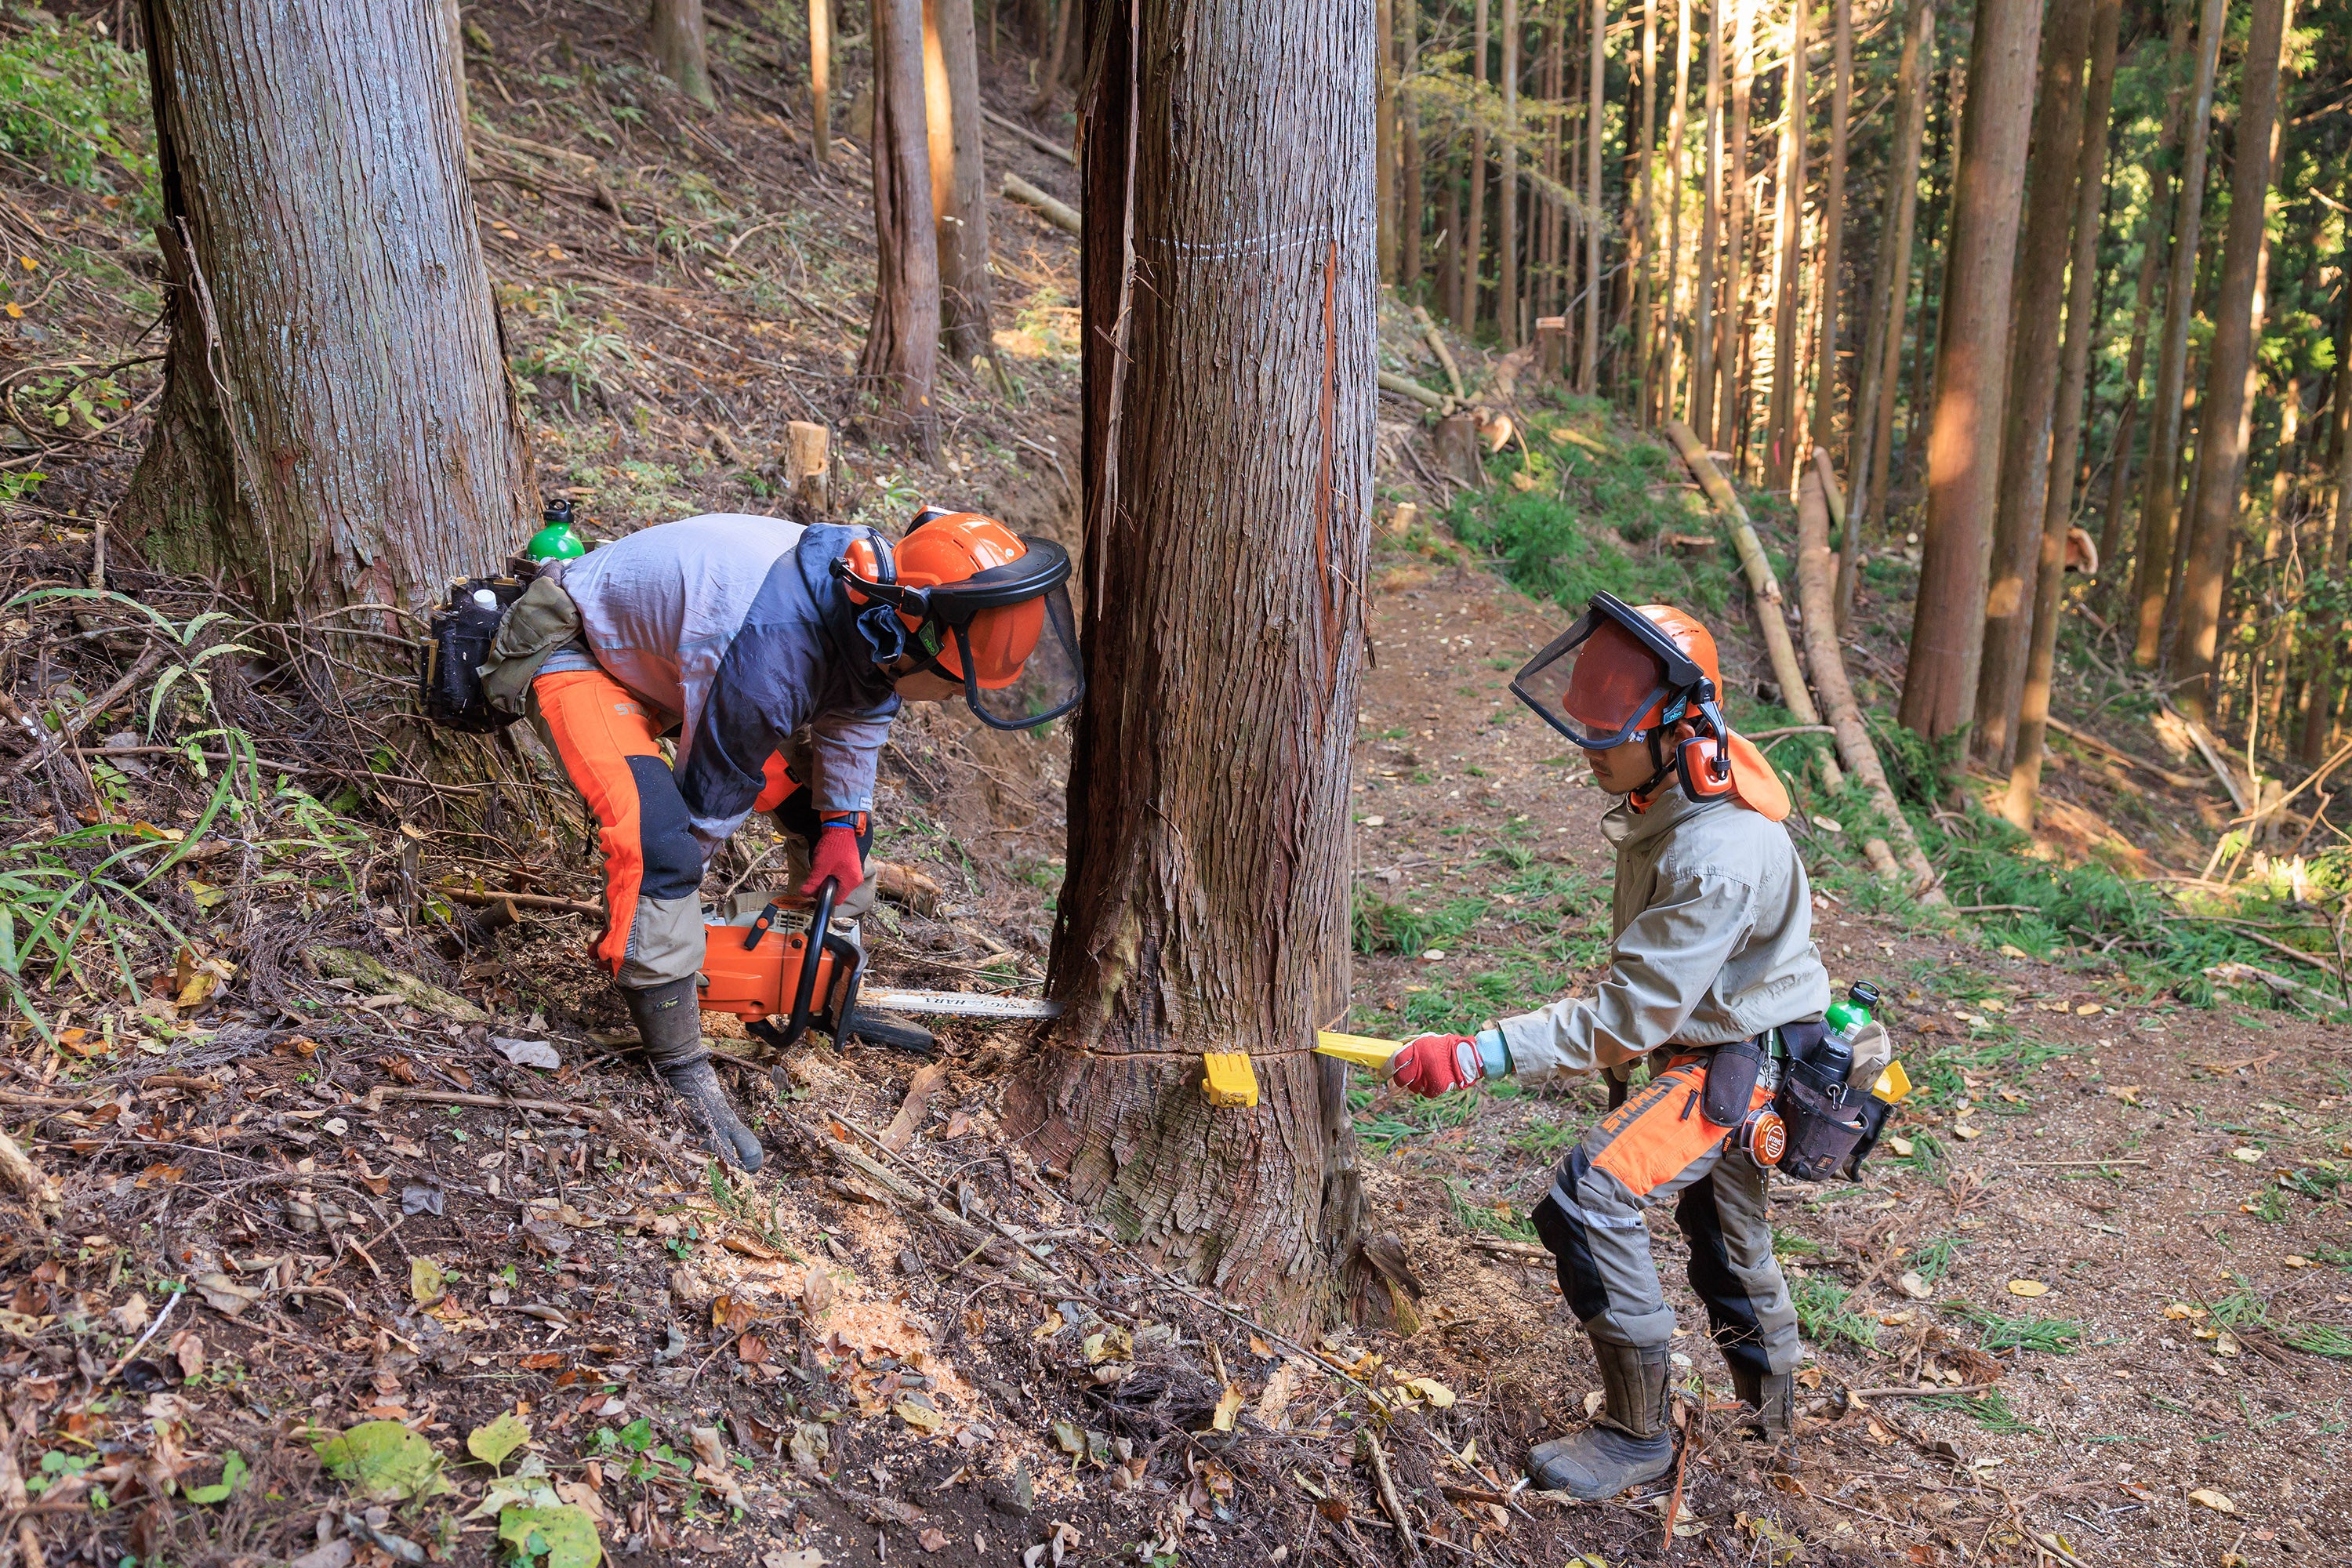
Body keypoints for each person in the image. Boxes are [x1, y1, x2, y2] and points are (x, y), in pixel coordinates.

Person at [1382, 593, 1828, 1500]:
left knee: (1592, 1196)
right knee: (1725, 1232)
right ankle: (1774, 1414)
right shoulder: (1675, 786)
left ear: (1673, 723)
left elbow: (1631, 1011)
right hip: (1725, 1036)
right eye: (1586, 723)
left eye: (1606, 729)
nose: (1589, 745)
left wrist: (1479, 1053)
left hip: (1739, 1062)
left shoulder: (1719, 854)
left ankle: (1637, 1436)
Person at [475, 506, 1081, 1173]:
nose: (941, 699)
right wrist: (669, 920)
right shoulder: (775, 654)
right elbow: (709, 798)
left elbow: (862, 709)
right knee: (663, 846)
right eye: (948, 685)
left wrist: (844, 828)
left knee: (826, 817)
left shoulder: (879, 600)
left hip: (680, 667)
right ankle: (676, 1052)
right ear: (917, 632)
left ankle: (816, 977)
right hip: (585, 652)